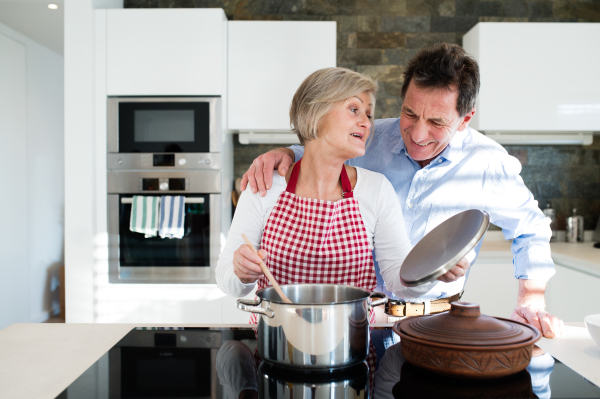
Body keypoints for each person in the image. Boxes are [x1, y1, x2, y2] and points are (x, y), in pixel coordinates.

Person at [240, 43, 564, 338]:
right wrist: (285, 153)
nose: (418, 134)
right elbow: (319, 149)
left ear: (465, 119)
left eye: (437, 122)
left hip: (438, 323)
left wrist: (531, 299)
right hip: (359, 322)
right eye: (409, 113)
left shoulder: (488, 163)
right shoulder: (369, 139)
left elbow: (531, 229)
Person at [216, 67, 441, 317]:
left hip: (351, 345)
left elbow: (400, 283)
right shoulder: (266, 185)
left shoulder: (376, 189)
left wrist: (434, 271)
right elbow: (227, 280)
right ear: (315, 113)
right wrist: (240, 272)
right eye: (354, 109)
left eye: (368, 114)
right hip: (279, 344)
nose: (367, 122)